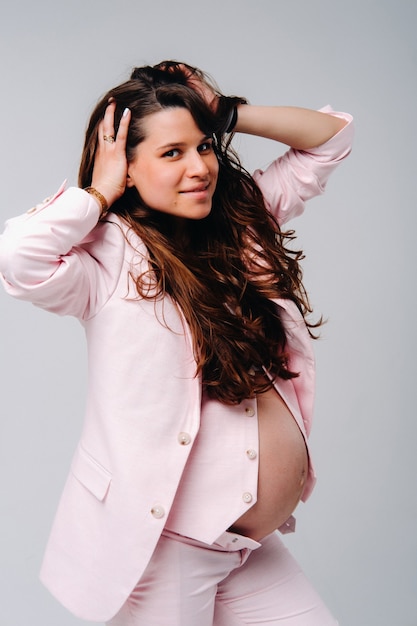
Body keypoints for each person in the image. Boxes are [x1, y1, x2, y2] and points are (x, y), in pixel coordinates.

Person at [0, 61, 353, 625]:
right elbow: (18, 259)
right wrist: (97, 192)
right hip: (164, 550)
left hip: (242, 548)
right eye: (171, 153)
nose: (200, 168)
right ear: (127, 169)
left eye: (205, 146)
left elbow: (331, 140)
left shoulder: (240, 228)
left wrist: (227, 111)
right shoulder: (106, 256)